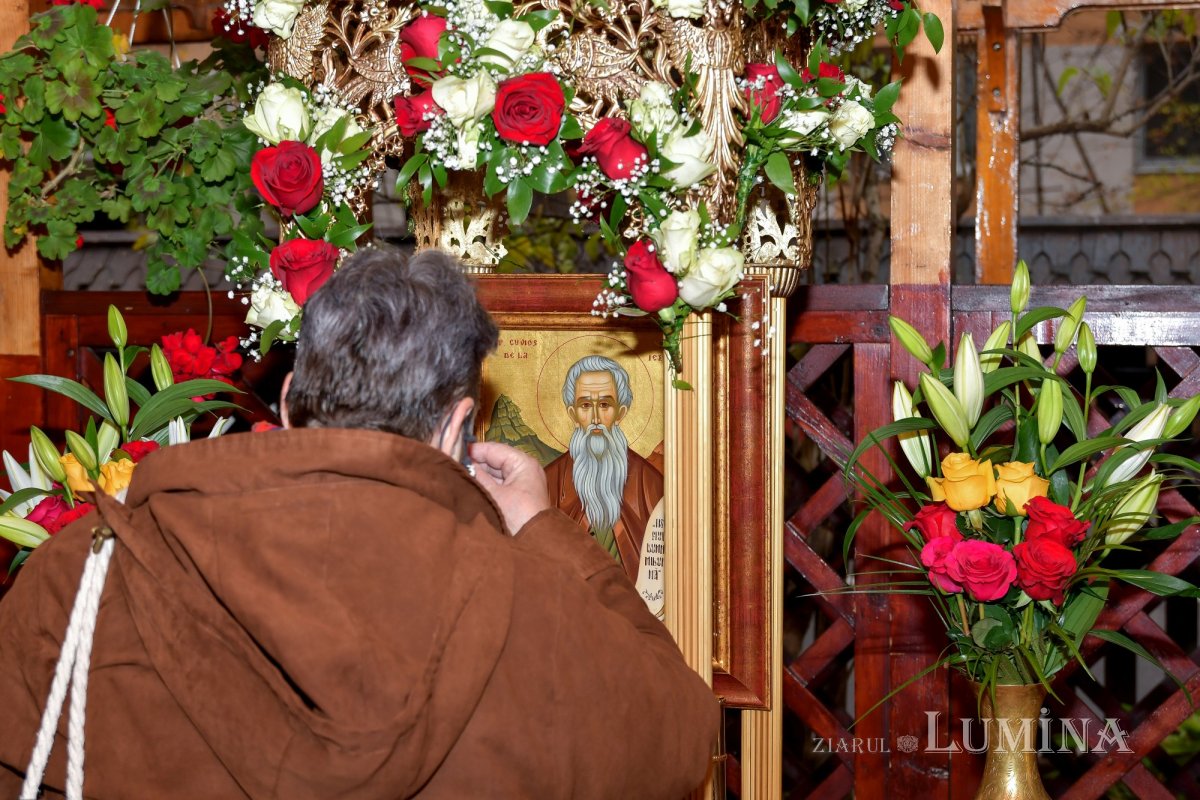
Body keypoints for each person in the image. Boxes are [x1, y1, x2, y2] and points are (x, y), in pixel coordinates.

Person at [0, 249, 719, 799]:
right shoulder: (539, 605)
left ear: (286, 403)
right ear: (458, 426)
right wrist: (543, 530)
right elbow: (685, 733)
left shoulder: (85, 574)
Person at [543, 356, 665, 582]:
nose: (596, 418)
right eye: (586, 405)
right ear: (573, 414)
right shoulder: (548, 481)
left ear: (620, 413)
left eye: (605, 405)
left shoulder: (649, 484)